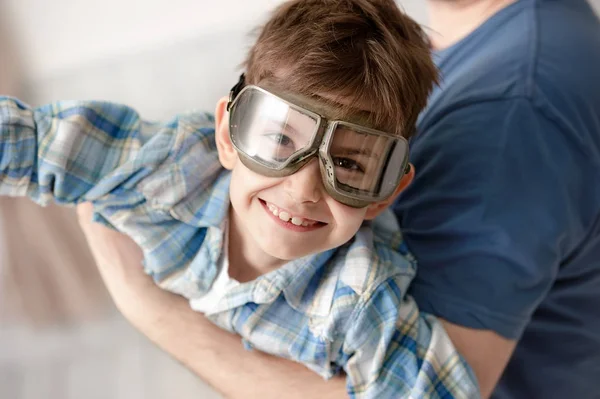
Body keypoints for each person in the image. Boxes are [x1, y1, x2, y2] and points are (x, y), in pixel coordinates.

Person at [76, 0, 600, 398]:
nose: (304, 187)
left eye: (347, 164)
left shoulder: (518, 107)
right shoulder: (499, 39)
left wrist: (148, 307)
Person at [0, 0, 480, 397]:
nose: (303, 189)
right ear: (228, 137)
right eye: (280, 141)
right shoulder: (165, 167)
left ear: (385, 195)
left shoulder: (359, 299)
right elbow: (30, 143)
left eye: (350, 165)